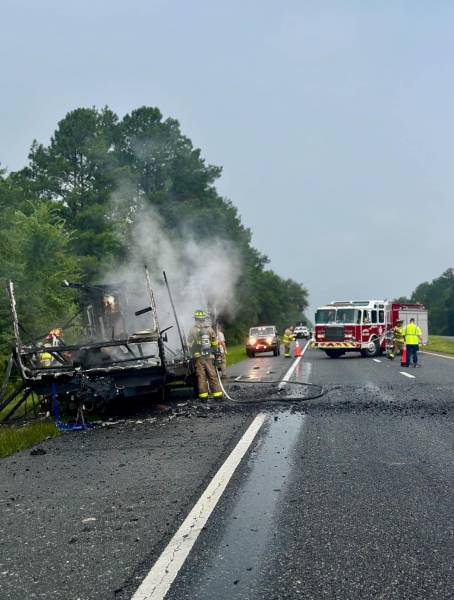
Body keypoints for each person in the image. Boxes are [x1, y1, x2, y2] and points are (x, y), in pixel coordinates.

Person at [187, 310, 223, 400]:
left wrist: (194, 353)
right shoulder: (210, 329)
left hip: (199, 358)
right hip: (209, 357)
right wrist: (215, 353)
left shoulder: (192, 330)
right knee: (212, 376)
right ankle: (217, 395)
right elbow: (215, 343)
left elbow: (189, 344)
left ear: (195, 319)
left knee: (201, 378)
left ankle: (203, 397)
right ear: (204, 319)